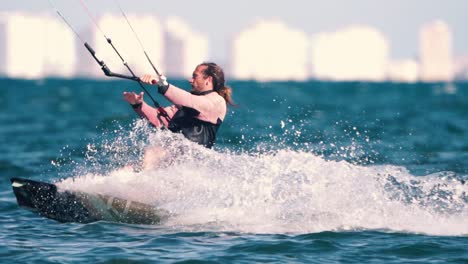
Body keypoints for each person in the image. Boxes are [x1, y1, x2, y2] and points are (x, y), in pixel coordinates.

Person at [122, 62, 234, 168]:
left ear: (208, 80)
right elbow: (158, 120)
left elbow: (193, 102)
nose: (191, 80)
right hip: (172, 163)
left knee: (154, 153)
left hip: (193, 167)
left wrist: (162, 84)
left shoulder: (216, 102)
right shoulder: (186, 104)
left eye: (195, 76)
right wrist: (138, 105)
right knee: (134, 164)